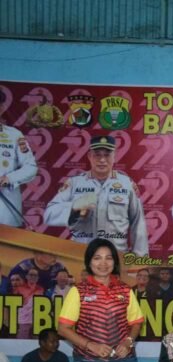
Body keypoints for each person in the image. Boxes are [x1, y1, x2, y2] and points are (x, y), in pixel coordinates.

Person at [44, 135, 149, 256]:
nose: (102, 160)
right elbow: (49, 214)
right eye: (97, 155)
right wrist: (74, 206)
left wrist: (140, 259)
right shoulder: (74, 183)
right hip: (80, 255)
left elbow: (138, 223)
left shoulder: (127, 184)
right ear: (89, 156)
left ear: (114, 156)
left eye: (107, 155)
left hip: (116, 256)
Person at [0, 91, 38, 228]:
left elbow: (31, 167)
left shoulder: (15, 135)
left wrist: (9, 178)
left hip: (6, 213)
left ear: (1, 108)